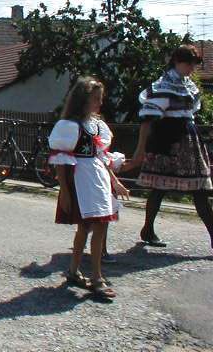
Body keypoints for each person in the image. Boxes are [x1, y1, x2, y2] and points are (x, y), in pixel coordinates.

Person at [49, 77, 130, 300]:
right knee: (91, 227)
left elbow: (101, 157)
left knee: (93, 227)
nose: (100, 103)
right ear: (83, 100)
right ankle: (96, 277)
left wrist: (115, 182)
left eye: (100, 99)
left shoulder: (97, 125)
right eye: (96, 99)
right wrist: (65, 192)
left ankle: (75, 271)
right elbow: (61, 162)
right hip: (82, 181)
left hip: (98, 180)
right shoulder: (70, 126)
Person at [130, 45, 213, 248]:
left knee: (200, 188)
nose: (191, 68)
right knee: (160, 187)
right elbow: (147, 120)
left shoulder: (188, 85)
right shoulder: (163, 86)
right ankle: (148, 229)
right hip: (168, 139)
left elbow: (191, 110)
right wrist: (140, 149)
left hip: (189, 140)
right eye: (188, 63)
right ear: (177, 61)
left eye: (193, 64)